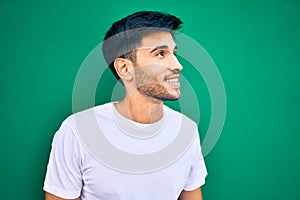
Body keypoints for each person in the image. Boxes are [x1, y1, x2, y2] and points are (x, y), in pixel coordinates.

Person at [43, 11, 207, 200]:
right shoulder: (78, 131)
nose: (177, 65)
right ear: (125, 68)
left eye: (174, 53)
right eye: (161, 53)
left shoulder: (186, 130)